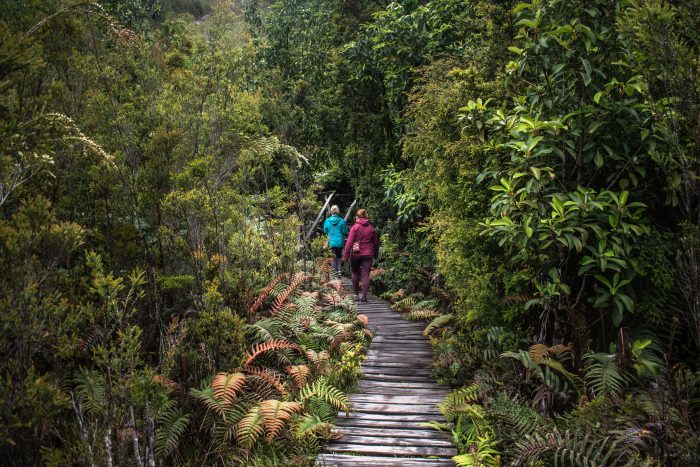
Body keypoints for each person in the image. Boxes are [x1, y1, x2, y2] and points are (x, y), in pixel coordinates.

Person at [342, 209, 379, 302]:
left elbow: (349, 242)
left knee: (354, 273)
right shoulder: (371, 228)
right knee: (365, 274)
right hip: (368, 254)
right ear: (366, 216)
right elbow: (376, 243)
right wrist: (375, 254)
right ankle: (364, 297)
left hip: (356, 254)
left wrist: (345, 256)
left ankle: (356, 295)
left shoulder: (355, 227)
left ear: (357, 217)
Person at [323, 205, 349, 274]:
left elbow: (325, 231)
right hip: (340, 241)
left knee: (333, 256)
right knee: (339, 256)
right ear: (338, 212)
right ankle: (339, 271)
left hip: (331, 241)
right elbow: (345, 232)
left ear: (331, 212)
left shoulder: (327, 221)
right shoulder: (342, 221)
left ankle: (334, 272)